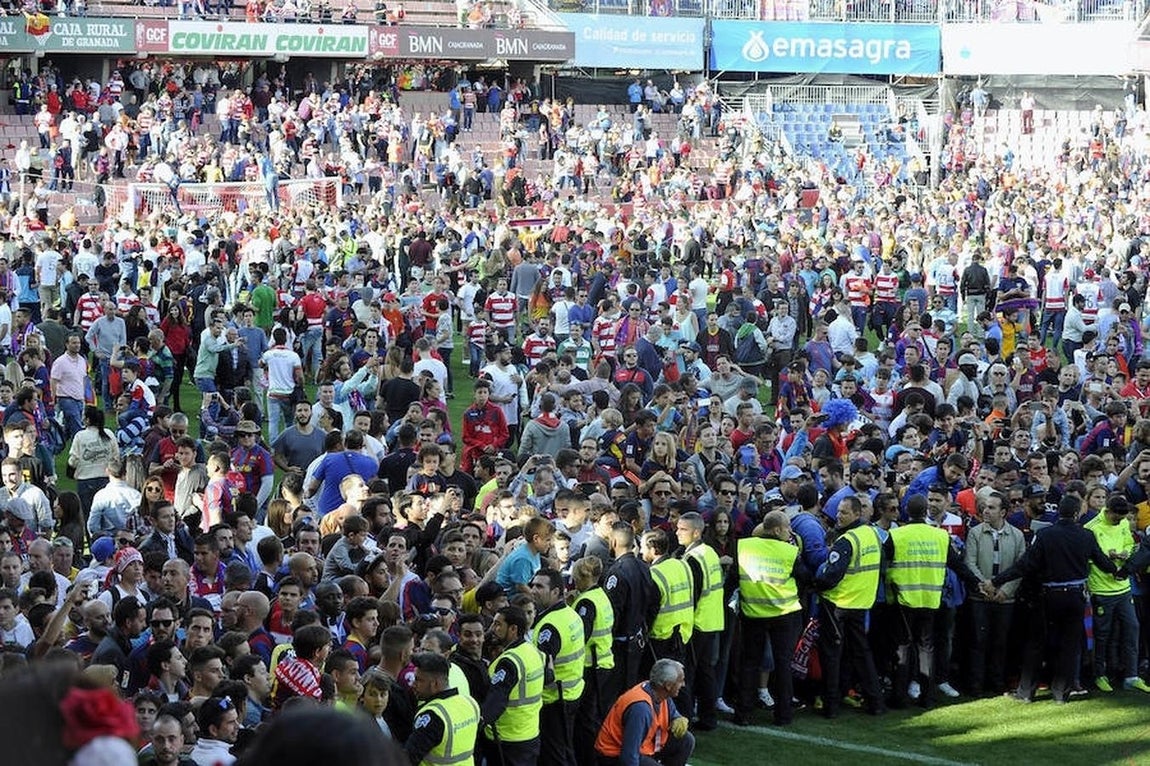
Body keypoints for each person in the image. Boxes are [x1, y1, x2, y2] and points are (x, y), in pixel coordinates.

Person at [990, 494, 1120, 704]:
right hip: (1076, 596)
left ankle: (1026, 692)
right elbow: (1102, 562)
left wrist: (997, 581)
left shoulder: (1045, 535)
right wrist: (1119, 570)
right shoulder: (1086, 535)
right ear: (1076, 514)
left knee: (1036, 644)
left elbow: (1025, 565)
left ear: (1059, 512)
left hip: (1049, 596)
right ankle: (1061, 693)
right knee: (1069, 645)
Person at [729, 510, 804, 726]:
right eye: (788, 527)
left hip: (753, 613)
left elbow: (733, 578)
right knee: (783, 664)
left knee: (749, 663)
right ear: (778, 530)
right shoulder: (790, 551)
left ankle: (743, 713)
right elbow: (805, 577)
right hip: (784, 613)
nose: (790, 532)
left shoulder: (744, 546)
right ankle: (783, 715)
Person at [813, 495, 885, 718]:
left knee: (831, 655)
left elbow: (831, 575)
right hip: (861, 602)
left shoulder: (846, 541)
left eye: (844, 512)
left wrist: (814, 584)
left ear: (857, 514)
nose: (838, 516)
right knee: (861, 653)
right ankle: (876, 702)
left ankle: (831, 706)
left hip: (837, 604)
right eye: (838, 511)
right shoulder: (872, 534)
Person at [594, 658, 695, 766]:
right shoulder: (640, 709)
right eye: (680, 681)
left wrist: (677, 718)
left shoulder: (659, 693)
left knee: (686, 740)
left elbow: (672, 711)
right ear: (668, 685)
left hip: (643, 748)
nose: (683, 684)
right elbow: (628, 756)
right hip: (614, 756)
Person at [530, 567, 584, 766]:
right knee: (565, 750)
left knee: (554, 756)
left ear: (555, 592)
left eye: (539, 587)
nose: (533, 590)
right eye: (533, 585)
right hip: (571, 693)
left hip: (554, 700)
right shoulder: (571, 614)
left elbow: (545, 670)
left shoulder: (549, 626)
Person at [479, 605, 544, 766]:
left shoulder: (509, 661)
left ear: (513, 629)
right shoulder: (531, 650)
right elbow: (548, 677)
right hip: (529, 734)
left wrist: (477, 723)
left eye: (498, 624)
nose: (493, 629)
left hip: (507, 740)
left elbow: (496, 701)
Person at [406, 651, 481, 766]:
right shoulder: (470, 703)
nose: (413, 684)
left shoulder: (433, 716)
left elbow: (408, 758)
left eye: (418, 680)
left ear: (435, 684)